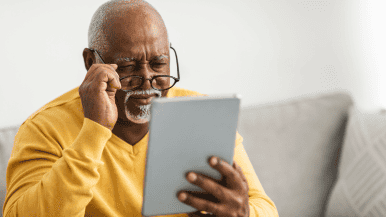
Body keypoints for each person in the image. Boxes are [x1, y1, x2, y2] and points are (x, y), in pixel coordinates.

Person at [3, 0, 278, 216]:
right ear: (90, 63)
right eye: (126, 67)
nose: (147, 79)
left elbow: (264, 207)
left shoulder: (202, 115)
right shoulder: (44, 128)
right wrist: (94, 130)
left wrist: (244, 213)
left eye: (158, 64)